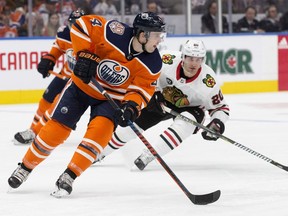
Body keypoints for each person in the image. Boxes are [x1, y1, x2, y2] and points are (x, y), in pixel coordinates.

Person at [8, 12, 166, 197]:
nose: (159, 40)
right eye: (156, 35)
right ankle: (25, 167)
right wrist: (84, 55)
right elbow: (82, 24)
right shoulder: (115, 32)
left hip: (111, 99)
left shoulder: (154, 62)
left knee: (99, 135)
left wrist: (131, 107)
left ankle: (69, 176)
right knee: (55, 131)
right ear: (142, 33)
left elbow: (142, 90)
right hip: (81, 87)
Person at [94, 39, 230, 171]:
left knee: (185, 123)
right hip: (161, 101)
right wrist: (155, 93)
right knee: (130, 128)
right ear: (183, 56)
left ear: (203, 60)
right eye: (190, 58)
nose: (193, 63)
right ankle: (100, 152)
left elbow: (220, 108)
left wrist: (217, 123)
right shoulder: (166, 60)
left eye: (198, 59)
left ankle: (150, 155)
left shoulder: (208, 82)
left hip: (192, 108)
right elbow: (145, 76)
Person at [13, 10, 85, 145]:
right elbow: (57, 48)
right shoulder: (64, 34)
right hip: (66, 74)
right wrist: (49, 59)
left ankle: (36, 132)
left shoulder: (94, 40)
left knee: (58, 103)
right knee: (47, 98)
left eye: (79, 25)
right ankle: (32, 130)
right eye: (73, 24)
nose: (75, 28)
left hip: (82, 82)